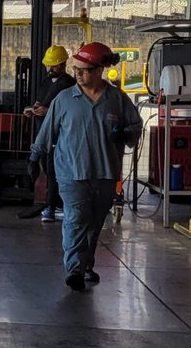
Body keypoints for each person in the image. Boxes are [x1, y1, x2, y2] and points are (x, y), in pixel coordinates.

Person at [28, 42, 142, 291]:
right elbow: (47, 131)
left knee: (94, 223)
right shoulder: (65, 99)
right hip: (71, 173)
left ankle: (86, 264)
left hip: (105, 173)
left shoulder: (117, 100)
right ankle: (74, 269)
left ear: (100, 70)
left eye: (85, 70)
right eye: (76, 69)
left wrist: (126, 134)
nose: (78, 74)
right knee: (76, 219)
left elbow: (136, 126)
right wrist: (35, 156)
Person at [23, 45, 75, 222]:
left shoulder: (68, 84)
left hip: (59, 135)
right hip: (43, 133)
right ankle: (53, 204)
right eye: (48, 65)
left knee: (54, 171)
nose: (49, 69)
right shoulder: (46, 82)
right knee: (47, 169)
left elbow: (66, 109)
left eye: (53, 66)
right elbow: (41, 101)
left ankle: (53, 207)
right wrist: (33, 109)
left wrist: (48, 112)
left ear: (63, 64)